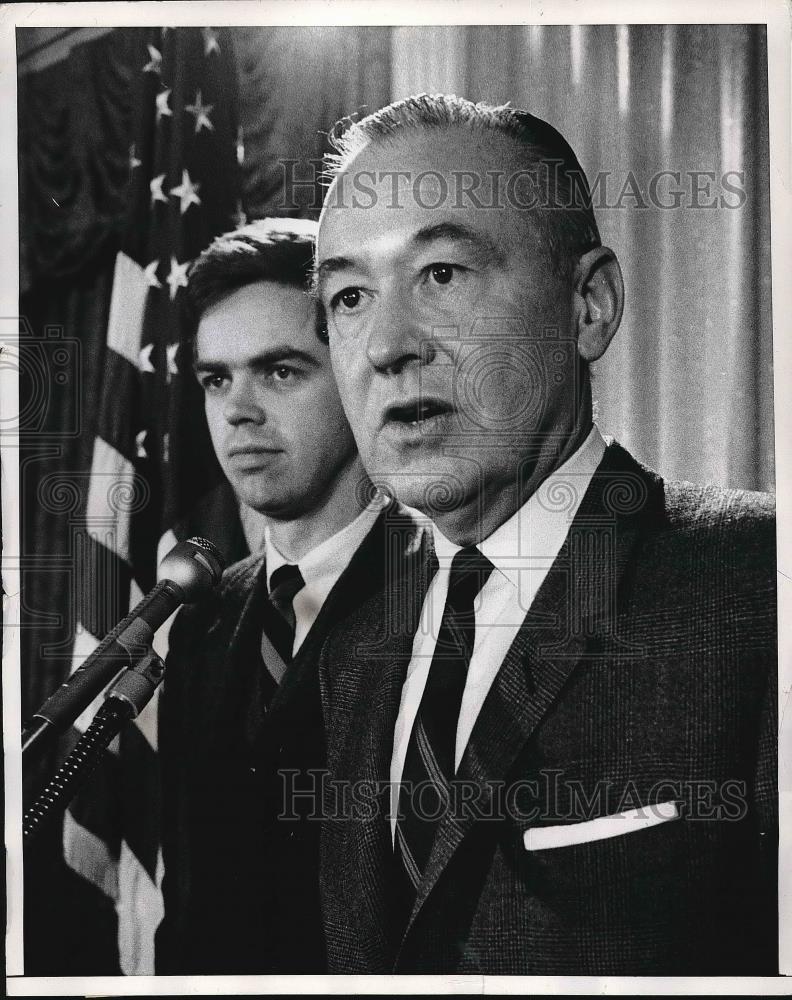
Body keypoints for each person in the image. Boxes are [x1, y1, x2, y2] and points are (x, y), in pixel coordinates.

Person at [313, 95, 777, 975]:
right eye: (348, 296)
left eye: (442, 274)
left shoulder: (760, 585)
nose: (385, 345)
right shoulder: (357, 650)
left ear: (589, 305)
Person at [155, 217, 424, 974]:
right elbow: (189, 911)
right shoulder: (202, 618)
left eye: (279, 371)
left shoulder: (449, 591)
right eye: (216, 379)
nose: (237, 410)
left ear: (354, 371)